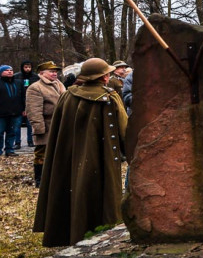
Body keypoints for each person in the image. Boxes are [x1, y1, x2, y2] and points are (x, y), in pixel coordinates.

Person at [33, 58, 127, 247]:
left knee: (71, 187)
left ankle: (69, 233)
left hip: (70, 155)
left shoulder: (68, 96)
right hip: (103, 156)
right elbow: (124, 129)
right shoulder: (109, 97)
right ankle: (102, 233)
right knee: (103, 190)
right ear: (104, 77)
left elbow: (60, 128)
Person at [25, 61, 67, 187]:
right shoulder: (35, 87)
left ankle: (55, 178)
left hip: (60, 125)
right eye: (51, 71)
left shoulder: (59, 85)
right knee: (42, 154)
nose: (55, 74)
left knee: (58, 153)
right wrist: (39, 129)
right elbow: (34, 110)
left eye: (55, 71)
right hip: (46, 126)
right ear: (42, 73)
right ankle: (40, 180)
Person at [16, 60, 36, 148]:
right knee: (17, 125)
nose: (27, 69)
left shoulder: (35, 77)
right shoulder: (17, 77)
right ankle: (17, 142)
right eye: (26, 67)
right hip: (18, 104)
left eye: (29, 67)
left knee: (30, 125)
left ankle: (30, 141)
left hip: (31, 103)